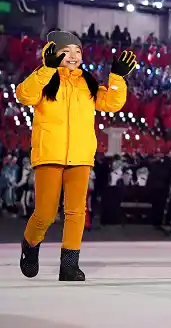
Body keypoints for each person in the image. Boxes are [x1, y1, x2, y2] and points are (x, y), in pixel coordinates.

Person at [16, 31, 137, 281]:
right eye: (66, 51)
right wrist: (46, 69)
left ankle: (69, 264)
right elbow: (24, 95)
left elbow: (112, 103)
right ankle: (30, 242)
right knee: (46, 213)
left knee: (76, 212)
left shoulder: (88, 82)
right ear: (52, 52)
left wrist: (117, 77)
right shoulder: (45, 79)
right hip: (49, 153)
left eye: (78, 51)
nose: (73, 56)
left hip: (80, 156)